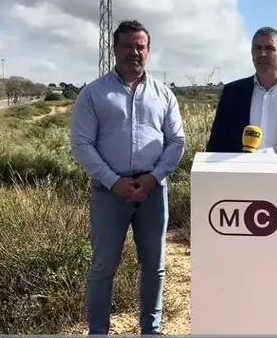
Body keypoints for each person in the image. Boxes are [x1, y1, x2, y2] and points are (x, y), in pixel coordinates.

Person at [70, 19, 186, 335]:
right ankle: (98, 332)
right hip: (109, 194)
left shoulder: (164, 94)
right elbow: (81, 144)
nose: (134, 52)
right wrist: (114, 181)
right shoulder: (93, 94)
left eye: (140, 46)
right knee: (103, 268)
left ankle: (151, 330)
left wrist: (153, 178)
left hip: (153, 193)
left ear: (148, 50)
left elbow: (177, 141)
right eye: (127, 46)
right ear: (114, 49)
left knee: (155, 268)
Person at [205, 26, 277, 217]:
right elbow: (217, 142)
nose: (263, 53)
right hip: (238, 187)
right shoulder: (233, 92)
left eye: (269, 48)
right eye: (257, 48)